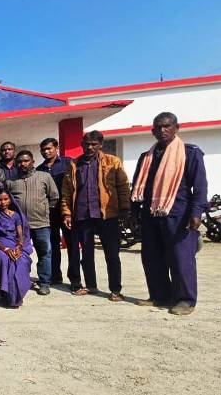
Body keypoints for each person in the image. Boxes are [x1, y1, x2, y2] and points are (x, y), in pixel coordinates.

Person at [131, 112, 207, 316]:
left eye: (167, 126)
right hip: (150, 215)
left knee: (181, 258)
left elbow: (200, 186)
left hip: (179, 215)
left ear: (176, 128)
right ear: (152, 131)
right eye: (158, 127)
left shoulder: (189, 153)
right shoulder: (146, 157)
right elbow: (137, 186)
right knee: (152, 257)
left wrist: (197, 212)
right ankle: (160, 295)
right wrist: (134, 213)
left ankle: (185, 300)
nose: (162, 130)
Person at [61, 131, 129, 300]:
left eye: (93, 144)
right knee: (87, 254)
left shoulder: (112, 162)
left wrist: (125, 208)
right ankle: (91, 286)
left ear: (100, 145)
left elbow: (123, 186)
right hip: (82, 215)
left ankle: (115, 290)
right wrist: (67, 213)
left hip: (107, 215)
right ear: (82, 145)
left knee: (112, 254)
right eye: (86, 144)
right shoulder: (74, 164)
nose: (89, 147)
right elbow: (67, 191)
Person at [5, 150, 59, 296]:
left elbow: (54, 197)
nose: (23, 164)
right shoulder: (11, 182)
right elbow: (7, 202)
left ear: (32, 162)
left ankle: (44, 282)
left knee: (44, 253)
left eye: (26, 161)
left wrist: (44, 209)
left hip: (41, 224)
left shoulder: (44, 176)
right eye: (20, 161)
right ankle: (23, 280)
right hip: (20, 226)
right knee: (21, 254)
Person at [0, 189, 33, 308]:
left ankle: (16, 296)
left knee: (22, 261)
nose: (3, 202)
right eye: (0, 200)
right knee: (4, 260)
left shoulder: (16, 215)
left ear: (10, 200)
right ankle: (6, 295)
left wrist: (19, 247)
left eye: (6, 199)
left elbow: (20, 235)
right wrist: (4, 249)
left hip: (14, 245)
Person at [37, 138, 73, 286]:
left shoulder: (68, 163)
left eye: (49, 148)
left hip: (66, 210)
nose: (46, 151)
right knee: (52, 245)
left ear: (56, 148)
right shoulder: (39, 170)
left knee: (71, 244)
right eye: (43, 149)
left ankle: (74, 279)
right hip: (49, 213)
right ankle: (55, 276)